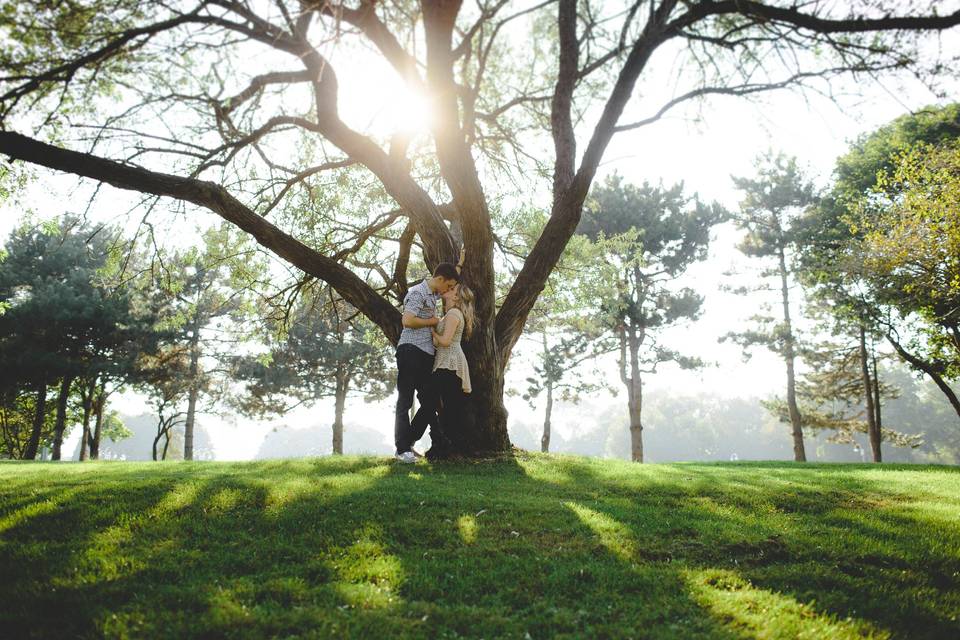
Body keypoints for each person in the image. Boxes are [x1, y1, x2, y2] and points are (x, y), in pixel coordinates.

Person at [394, 262, 461, 463]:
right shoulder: (418, 293)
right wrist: (431, 322)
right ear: (439, 279)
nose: (448, 290)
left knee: (429, 400)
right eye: (448, 286)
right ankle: (402, 449)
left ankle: (410, 440)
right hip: (410, 351)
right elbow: (407, 320)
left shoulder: (434, 294)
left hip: (425, 354)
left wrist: (459, 265)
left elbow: (450, 275)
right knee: (405, 400)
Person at [430, 283, 475, 458]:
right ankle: (448, 448)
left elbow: (446, 341)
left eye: (451, 290)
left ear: (455, 297)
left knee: (443, 404)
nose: (446, 290)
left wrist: (432, 332)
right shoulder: (449, 314)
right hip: (446, 362)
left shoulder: (454, 314)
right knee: (447, 406)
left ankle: (450, 448)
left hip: (450, 363)